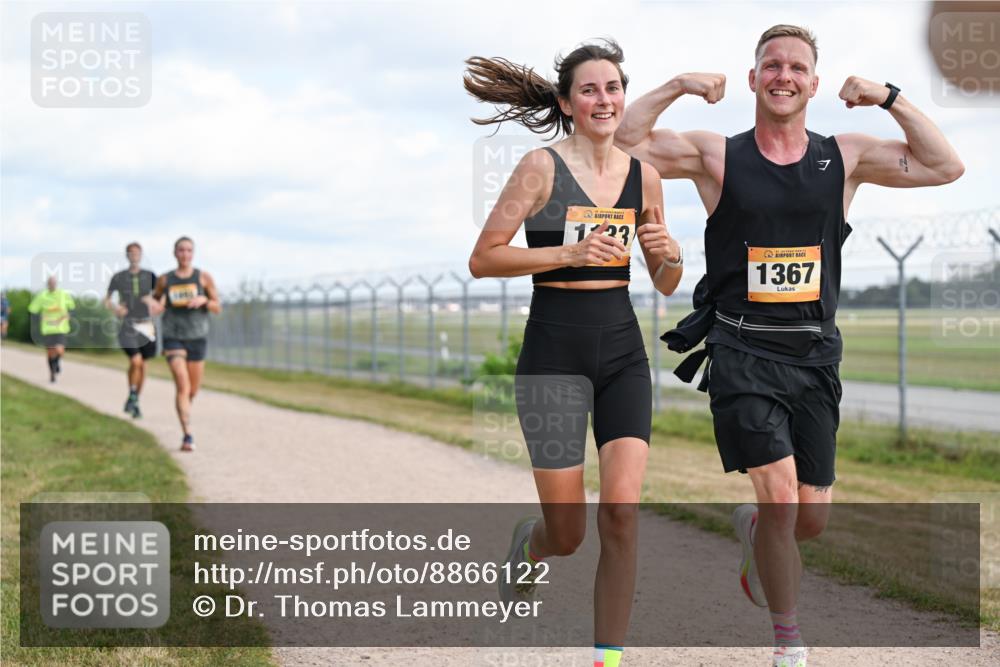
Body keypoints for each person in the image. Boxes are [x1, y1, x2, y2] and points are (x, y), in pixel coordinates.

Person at [615, 24, 964, 667]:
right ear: (753, 79)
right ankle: (789, 641)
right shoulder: (717, 155)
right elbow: (620, 142)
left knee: (808, 520)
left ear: (814, 83)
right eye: (771, 65)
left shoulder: (844, 156)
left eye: (796, 67)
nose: (783, 76)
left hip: (814, 356)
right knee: (778, 497)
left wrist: (890, 97)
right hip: (742, 351)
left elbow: (946, 165)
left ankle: (754, 535)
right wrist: (677, 86)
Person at [465, 39, 682, 667]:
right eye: (589, 89)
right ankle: (529, 549)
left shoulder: (647, 177)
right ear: (567, 102)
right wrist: (567, 253)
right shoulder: (539, 167)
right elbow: (483, 258)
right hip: (553, 355)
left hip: (622, 355)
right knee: (568, 533)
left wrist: (668, 255)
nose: (604, 99)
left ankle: (606, 659)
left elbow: (664, 279)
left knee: (621, 514)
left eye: (612, 87)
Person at [151, 237, 221, 451]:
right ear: (175, 253)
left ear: (193, 253)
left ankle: (185, 414)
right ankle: (187, 435)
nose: (184, 254)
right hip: (174, 335)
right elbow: (155, 299)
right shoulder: (165, 279)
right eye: (181, 250)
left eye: (189, 250)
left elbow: (218, 306)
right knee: (182, 384)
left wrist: (205, 301)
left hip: (197, 336)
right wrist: (156, 306)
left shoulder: (203, 278)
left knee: (192, 390)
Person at [105, 242, 158, 418]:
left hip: (146, 324)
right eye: (131, 253)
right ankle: (133, 393)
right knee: (135, 361)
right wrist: (116, 309)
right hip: (128, 324)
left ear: (141, 255)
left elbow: (161, 299)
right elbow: (106, 300)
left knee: (143, 366)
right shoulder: (119, 277)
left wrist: (153, 302)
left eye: (137, 253)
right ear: (127, 255)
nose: (134, 255)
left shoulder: (150, 276)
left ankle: (134, 399)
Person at [27, 276, 76, 383]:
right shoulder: (42, 296)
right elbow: (32, 310)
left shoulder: (63, 294)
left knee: (59, 350)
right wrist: (38, 317)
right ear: (47, 284)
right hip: (48, 329)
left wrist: (69, 315)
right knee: (50, 352)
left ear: (56, 284)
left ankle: (57, 362)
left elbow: (72, 308)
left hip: (61, 328)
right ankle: (52, 374)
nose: (52, 285)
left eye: (54, 283)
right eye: (50, 283)